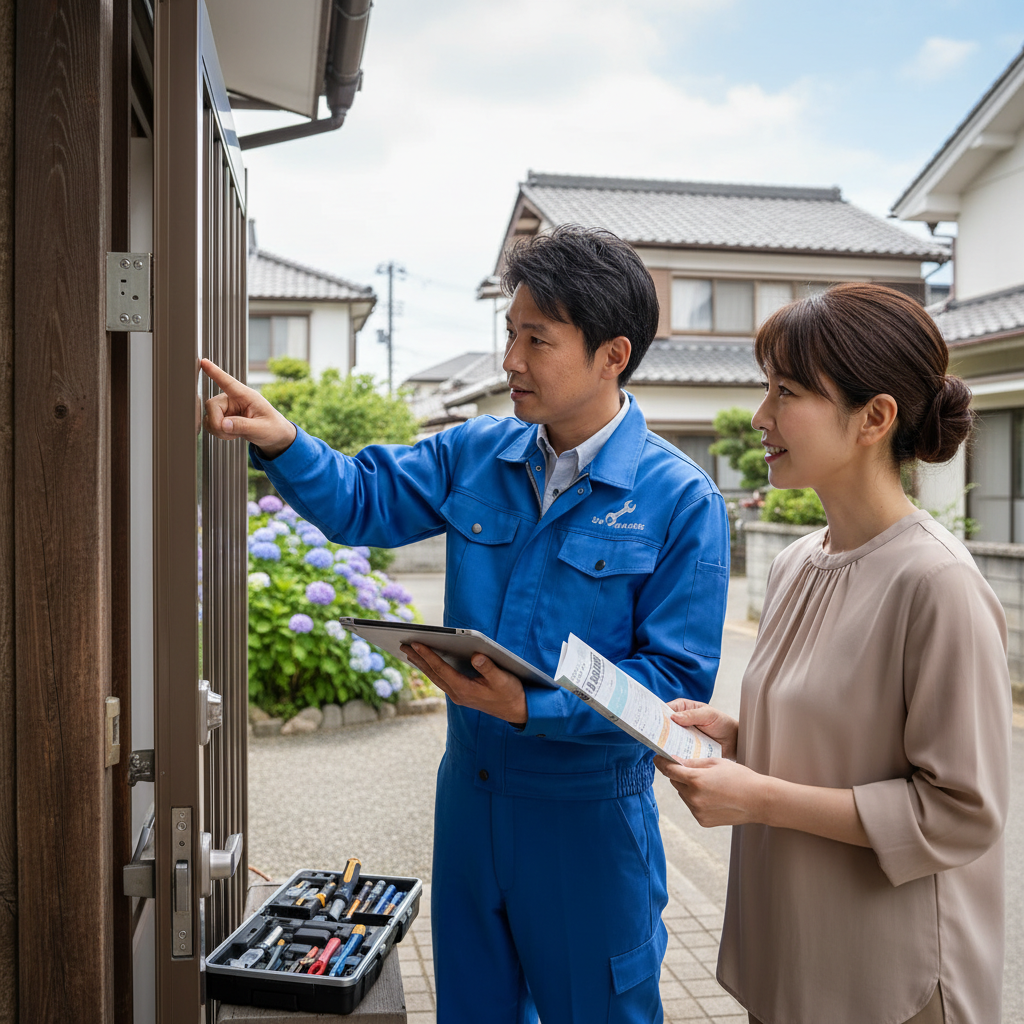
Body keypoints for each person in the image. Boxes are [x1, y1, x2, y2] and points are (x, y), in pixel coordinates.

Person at [202, 225, 731, 1024]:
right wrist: (284, 439)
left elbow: (674, 693)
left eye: (537, 339)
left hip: (587, 819)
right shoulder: (477, 452)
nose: (511, 360)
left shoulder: (681, 500)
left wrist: (531, 707)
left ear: (612, 354)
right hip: (471, 802)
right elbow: (362, 497)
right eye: (510, 334)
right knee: (475, 1011)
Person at [656, 282, 1011, 1024]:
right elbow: (847, 743)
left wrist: (756, 796)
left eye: (786, 392)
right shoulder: (795, 564)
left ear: (874, 418)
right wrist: (742, 737)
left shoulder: (937, 582)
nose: (761, 417)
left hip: (891, 979)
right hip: (794, 955)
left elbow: (960, 812)